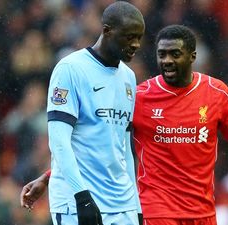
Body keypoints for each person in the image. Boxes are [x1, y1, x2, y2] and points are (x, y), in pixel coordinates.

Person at [21, 25, 228, 225]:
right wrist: (49, 177)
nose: (167, 61)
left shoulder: (217, 93)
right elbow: (101, 145)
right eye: (162, 54)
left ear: (193, 56)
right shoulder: (139, 97)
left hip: (203, 212)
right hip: (156, 210)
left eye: (175, 54)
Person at [26, 1, 145, 225]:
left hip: (122, 203)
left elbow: (125, 147)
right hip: (77, 202)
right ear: (107, 31)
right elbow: (59, 141)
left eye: (139, 37)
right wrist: (82, 197)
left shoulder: (129, 77)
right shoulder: (70, 69)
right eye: (129, 37)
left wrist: (136, 205)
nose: (136, 44)